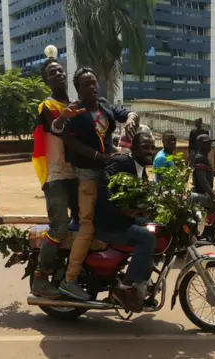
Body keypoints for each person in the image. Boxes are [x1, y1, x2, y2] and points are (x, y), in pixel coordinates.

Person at [56, 67, 137, 300]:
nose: (92, 86)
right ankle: (70, 279)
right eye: (86, 84)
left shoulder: (103, 105)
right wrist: (99, 157)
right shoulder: (74, 112)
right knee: (87, 224)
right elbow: (69, 141)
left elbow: (126, 113)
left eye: (94, 82)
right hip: (88, 174)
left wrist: (131, 119)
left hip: (109, 171)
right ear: (78, 89)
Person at [31, 58, 84, 299]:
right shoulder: (46, 106)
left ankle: (70, 271)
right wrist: (64, 116)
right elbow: (53, 127)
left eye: (61, 71)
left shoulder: (76, 103)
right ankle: (40, 277)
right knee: (59, 226)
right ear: (47, 81)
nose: (59, 75)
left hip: (76, 172)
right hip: (55, 174)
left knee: (84, 222)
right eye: (53, 73)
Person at [94, 132, 157, 312]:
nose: (150, 151)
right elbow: (104, 187)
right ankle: (125, 288)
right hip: (108, 223)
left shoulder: (141, 171)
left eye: (152, 148)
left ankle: (143, 277)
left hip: (123, 220)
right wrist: (120, 209)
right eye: (145, 147)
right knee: (147, 238)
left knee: (157, 228)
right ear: (133, 148)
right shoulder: (121, 162)